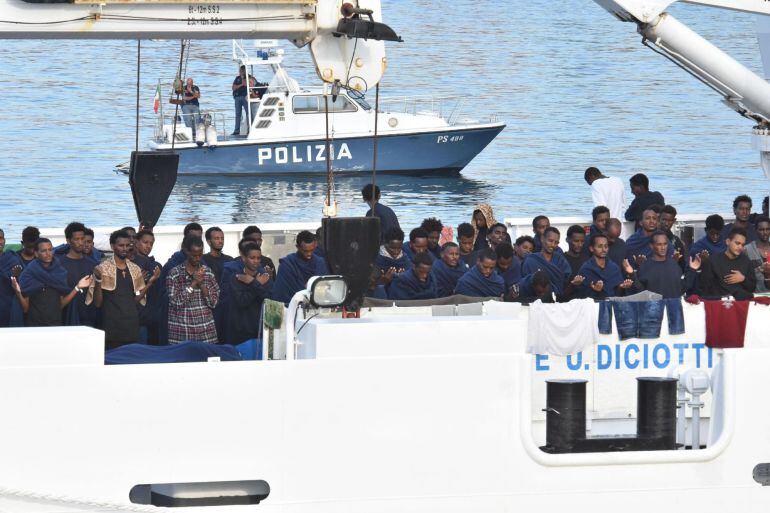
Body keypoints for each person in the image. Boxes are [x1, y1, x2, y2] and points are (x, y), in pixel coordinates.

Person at [88, 230, 158, 350]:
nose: (124, 248)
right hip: (111, 326)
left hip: (131, 326)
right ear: (112, 246)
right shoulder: (102, 268)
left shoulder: (135, 269)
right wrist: (99, 281)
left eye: (127, 245)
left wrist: (150, 283)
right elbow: (98, 303)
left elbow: (135, 300)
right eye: (121, 245)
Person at [11, 238, 91, 327]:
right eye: (44, 251)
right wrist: (18, 292)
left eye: (50, 249)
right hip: (34, 325)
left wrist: (77, 287)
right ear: (36, 254)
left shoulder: (60, 273)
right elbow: (25, 308)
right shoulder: (28, 274)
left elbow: (60, 305)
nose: (48, 254)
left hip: (55, 324)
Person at [166, 235, 220, 343]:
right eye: (194, 255)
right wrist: (194, 283)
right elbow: (176, 303)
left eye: (200, 255)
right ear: (186, 252)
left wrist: (202, 284)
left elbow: (214, 303)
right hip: (182, 334)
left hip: (206, 334)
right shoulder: (174, 274)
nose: (197, 258)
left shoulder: (208, 273)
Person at [225, 242, 272, 345]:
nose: (256, 261)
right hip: (240, 332)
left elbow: (268, 299)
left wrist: (253, 282)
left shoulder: (264, 277)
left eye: (258, 258)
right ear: (244, 258)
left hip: (260, 330)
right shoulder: (236, 278)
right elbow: (242, 301)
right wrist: (257, 284)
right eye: (252, 258)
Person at [690, 227, 755, 300]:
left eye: (743, 245)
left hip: (741, 305)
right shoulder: (713, 261)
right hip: (718, 305)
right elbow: (704, 288)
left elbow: (752, 288)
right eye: (737, 243)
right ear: (727, 241)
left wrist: (743, 279)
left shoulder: (746, 261)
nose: (740, 247)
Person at [272, 231, 328, 305]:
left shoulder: (320, 263)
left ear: (315, 245)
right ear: (297, 247)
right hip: (293, 308)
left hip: (318, 308)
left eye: (312, 250)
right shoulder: (287, 264)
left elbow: (326, 288)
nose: (309, 254)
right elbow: (281, 293)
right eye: (305, 251)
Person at [59, 222, 97, 327]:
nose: (81, 243)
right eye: (77, 239)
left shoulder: (93, 265)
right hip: (67, 319)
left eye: (82, 238)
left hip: (89, 319)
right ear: (68, 241)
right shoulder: (59, 265)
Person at [522, 227, 578, 298]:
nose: (553, 245)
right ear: (542, 239)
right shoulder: (531, 260)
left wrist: (573, 284)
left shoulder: (560, 260)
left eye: (556, 242)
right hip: (534, 301)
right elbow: (526, 283)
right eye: (550, 241)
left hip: (557, 300)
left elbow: (566, 283)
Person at [578, 233, 634, 300]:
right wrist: (595, 290)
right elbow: (580, 295)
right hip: (593, 307)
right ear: (591, 248)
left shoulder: (614, 268)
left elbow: (618, 293)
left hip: (612, 306)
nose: (604, 250)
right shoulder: (586, 269)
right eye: (600, 246)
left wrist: (622, 287)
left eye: (606, 246)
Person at [132, 229, 163, 344]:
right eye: (145, 242)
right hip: (139, 319)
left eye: (151, 243)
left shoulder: (156, 265)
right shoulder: (131, 264)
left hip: (154, 316)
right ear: (136, 242)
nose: (148, 246)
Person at [637, 231, 688, 298]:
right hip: (654, 307)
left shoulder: (674, 265)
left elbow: (681, 288)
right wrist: (632, 275)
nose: (663, 247)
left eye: (665, 244)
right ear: (651, 246)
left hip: (673, 306)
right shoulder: (644, 267)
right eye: (659, 244)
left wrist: (692, 270)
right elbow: (640, 292)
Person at [0, 228, 22, 327]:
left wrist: (14, 276)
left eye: (1, 238)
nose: (0, 241)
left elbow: (21, 279)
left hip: (7, 305)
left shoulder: (11, 258)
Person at [744, 216, 770, 293]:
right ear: (756, 230)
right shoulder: (747, 249)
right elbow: (744, 274)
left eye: (767, 229)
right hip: (755, 297)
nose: (765, 232)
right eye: (761, 230)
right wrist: (759, 269)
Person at [660, 205, 687, 269]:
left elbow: (682, 263)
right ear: (659, 218)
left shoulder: (677, 241)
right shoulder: (652, 238)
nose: (666, 223)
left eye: (670, 220)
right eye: (664, 220)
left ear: (674, 220)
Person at [231, 65, 253, 135]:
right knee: (238, 114)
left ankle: (250, 129)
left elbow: (250, 85)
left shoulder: (249, 77)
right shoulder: (237, 78)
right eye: (240, 71)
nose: (240, 72)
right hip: (237, 98)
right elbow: (233, 87)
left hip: (245, 97)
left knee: (248, 113)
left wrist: (244, 79)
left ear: (245, 71)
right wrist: (240, 85)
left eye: (242, 71)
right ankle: (236, 130)